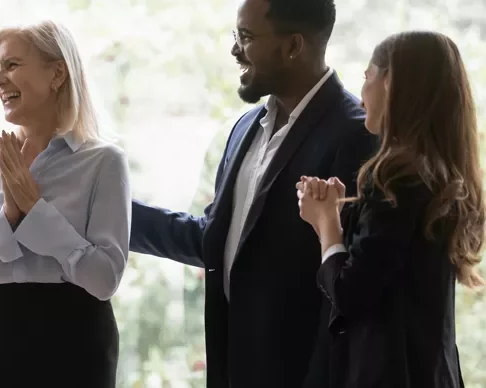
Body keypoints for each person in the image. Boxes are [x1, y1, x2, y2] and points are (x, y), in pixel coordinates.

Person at [128, 0, 377, 386]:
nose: (234, 49)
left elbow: (352, 284)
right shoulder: (244, 128)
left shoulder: (357, 135)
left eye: (245, 37)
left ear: (293, 46)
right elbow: (219, 240)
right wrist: (110, 211)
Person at [0, 20, 131, 388]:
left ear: (57, 73)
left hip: (76, 357)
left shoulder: (104, 162)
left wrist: (35, 211)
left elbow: (105, 279)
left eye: (11, 65)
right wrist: (8, 218)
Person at [297, 31, 482, 388]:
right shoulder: (437, 176)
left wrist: (326, 224)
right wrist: (340, 211)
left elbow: (350, 293)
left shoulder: (398, 179)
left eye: (367, 77)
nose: (361, 93)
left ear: (391, 84)